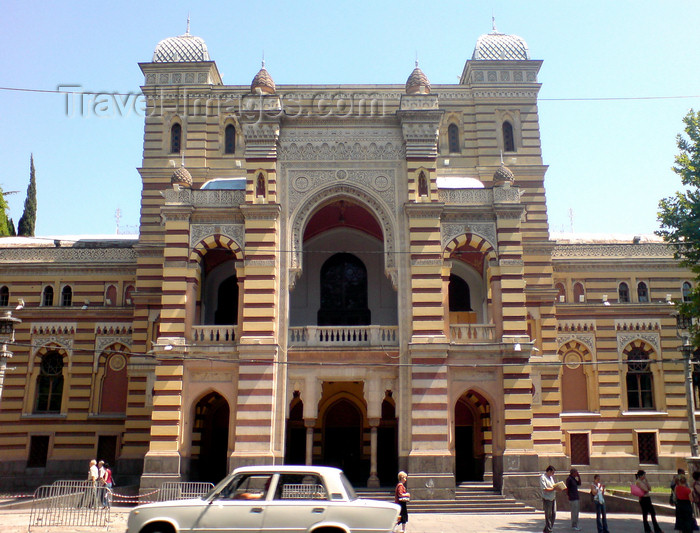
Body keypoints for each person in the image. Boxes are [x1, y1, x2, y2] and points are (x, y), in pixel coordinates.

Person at [541, 465, 557, 533]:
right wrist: (553, 489)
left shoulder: (551, 478)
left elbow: (553, 486)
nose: (553, 474)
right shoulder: (543, 477)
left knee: (554, 513)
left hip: (553, 497)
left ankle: (547, 528)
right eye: (552, 473)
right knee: (548, 514)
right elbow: (544, 488)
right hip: (547, 498)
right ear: (549, 471)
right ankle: (549, 529)